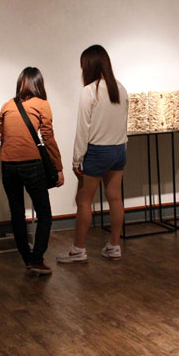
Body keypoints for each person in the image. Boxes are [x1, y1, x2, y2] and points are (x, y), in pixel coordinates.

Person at [56, 45, 128, 263]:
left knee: (83, 200)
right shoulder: (120, 88)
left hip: (98, 151)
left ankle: (78, 250)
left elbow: (83, 129)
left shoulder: (90, 91)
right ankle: (114, 246)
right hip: (119, 149)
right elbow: (124, 123)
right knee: (115, 198)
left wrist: (76, 159)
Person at [0, 67, 64, 275]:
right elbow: (48, 137)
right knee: (44, 213)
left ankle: (27, 259)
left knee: (17, 213)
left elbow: (2, 135)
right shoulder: (42, 104)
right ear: (38, 84)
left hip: (7, 164)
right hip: (31, 164)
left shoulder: (7, 105)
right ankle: (36, 259)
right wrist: (58, 167)